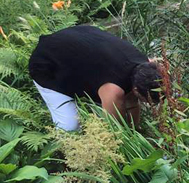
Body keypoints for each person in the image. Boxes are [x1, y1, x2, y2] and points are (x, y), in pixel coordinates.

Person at [29, 25, 162, 131]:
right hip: (48, 64)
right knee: (70, 127)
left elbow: (132, 103)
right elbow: (115, 130)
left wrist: (136, 130)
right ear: (136, 89)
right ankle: (63, 156)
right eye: (147, 101)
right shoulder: (113, 91)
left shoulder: (147, 65)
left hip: (78, 41)